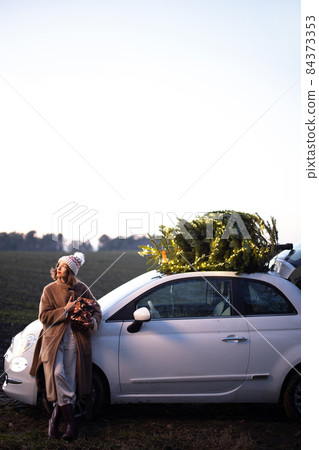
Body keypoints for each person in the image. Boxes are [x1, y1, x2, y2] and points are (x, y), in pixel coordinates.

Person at [30, 252, 102, 440]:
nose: (58, 268)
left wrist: (93, 322)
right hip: (53, 342)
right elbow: (43, 316)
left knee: (69, 380)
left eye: (63, 266)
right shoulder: (49, 289)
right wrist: (65, 310)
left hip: (75, 341)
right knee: (57, 374)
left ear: (70, 270)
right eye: (59, 265)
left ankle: (55, 420)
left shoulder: (82, 288)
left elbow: (96, 308)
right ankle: (72, 424)